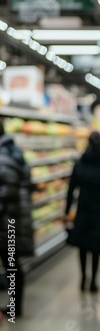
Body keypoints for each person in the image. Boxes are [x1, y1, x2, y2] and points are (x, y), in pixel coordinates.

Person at [64, 131, 100, 292]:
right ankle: (94, 281)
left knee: (83, 246)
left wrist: (67, 210)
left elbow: (71, 189)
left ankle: (83, 276)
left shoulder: (80, 163)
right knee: (96, 247)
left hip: (84, 209)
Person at [0, 121, 33, 318]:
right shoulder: (11, 151)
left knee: (11, 264)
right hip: (12, 219)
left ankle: (14, 308)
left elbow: (7, 193)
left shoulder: (3, 158)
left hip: (7, 221)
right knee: (12, 263)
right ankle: (15, 307)